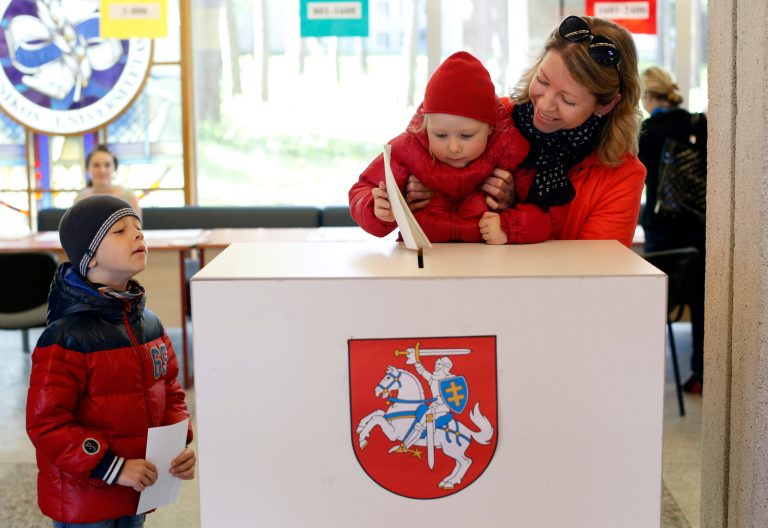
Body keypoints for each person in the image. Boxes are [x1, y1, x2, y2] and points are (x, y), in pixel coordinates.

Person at [26, 195, 195, 527]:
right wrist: (111, 467)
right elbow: (47, 424)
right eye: (119, 230)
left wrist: (178, 443)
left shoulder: (149, 325)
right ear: (89, 258)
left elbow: (171, 390)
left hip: (138, 490)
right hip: (86, 497)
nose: (137, 235)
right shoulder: (67, 336)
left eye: (138, 227)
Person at [406, 15, 647, 248]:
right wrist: (421, 186)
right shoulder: (491, 119)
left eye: (568, 100)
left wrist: (513, 211)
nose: (544, 105)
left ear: (606, 105)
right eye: (542, 81)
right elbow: (415, 147)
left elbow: (597, 277)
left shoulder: (621, 175)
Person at [349, 51, 555, 244]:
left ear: (490, 129)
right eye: (440, 135)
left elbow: (544, 216)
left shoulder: (512, 151)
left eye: (466, 136)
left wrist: (508, 227)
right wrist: (377, 209)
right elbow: (362, 189)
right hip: (421, 267)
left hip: (487, 269)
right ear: (425, 126)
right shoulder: (407, 150)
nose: (454, 147)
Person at [638, 66, 707, 393]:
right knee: (702, 302)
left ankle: (645, 375)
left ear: (649, 96)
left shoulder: (647, 131)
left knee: (655, 304)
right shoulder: (699, 125)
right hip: (700, 227)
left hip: (663, 231)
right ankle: (701, 373)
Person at [76, 144, 141, 216]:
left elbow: (137, 226)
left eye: (107, 165)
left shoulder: (130, 198)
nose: (102, 170)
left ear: (114, 168)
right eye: (96, 165)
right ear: (87, 168)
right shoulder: (79, 200)